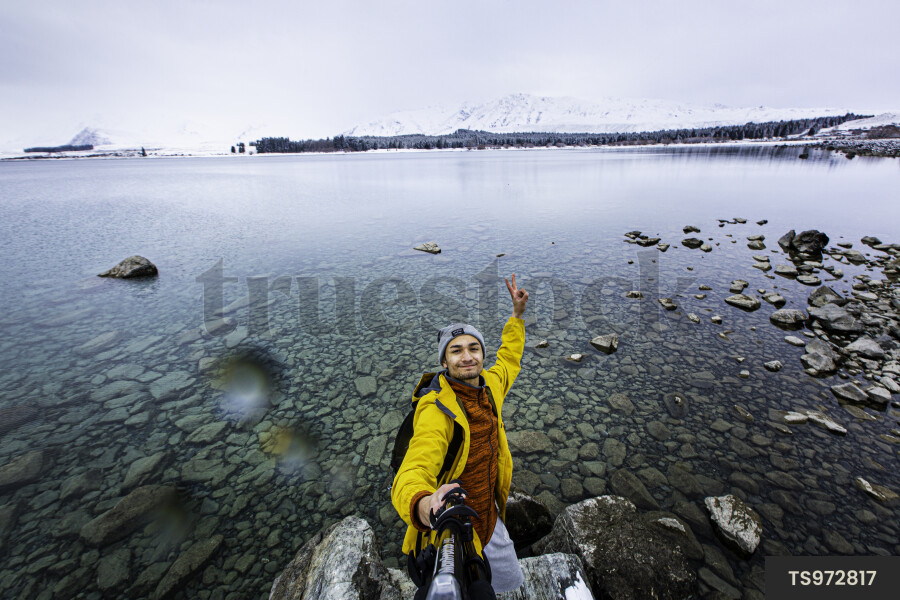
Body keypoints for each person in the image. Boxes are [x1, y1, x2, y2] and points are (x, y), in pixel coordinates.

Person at [391, 273, 529, 595]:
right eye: (456, 351)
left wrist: (517, 316)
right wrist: (426, 504)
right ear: (444, 360)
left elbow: (509, 358)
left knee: (511, 586)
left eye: (473, 348)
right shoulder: (436, 410)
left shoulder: (490, 385)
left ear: (482, 355)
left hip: (490, 515)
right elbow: (415, 468)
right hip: (452, 527)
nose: (467, 356)